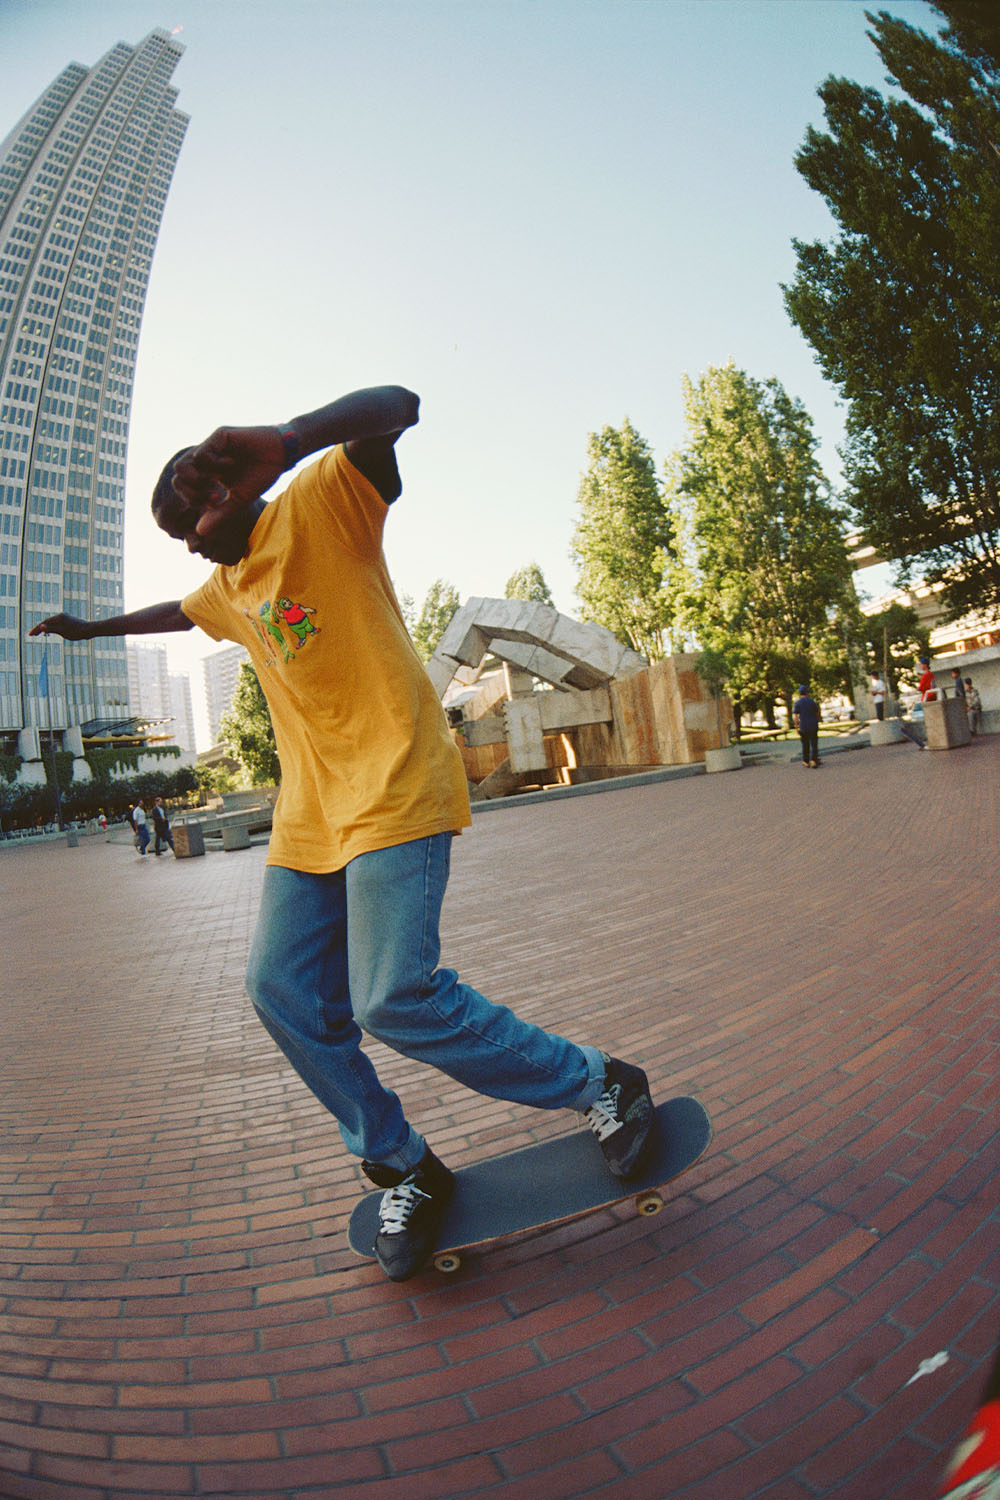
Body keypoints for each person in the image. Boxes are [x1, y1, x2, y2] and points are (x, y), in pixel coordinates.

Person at [29, 384, 656, 1282]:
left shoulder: (325, 501)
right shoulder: (225, 585)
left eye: (201, 505)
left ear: (239, 484)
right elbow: (183, 611)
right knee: (280, 993)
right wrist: (95, 629)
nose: (198, 531)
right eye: (183, 531)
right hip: (310, 814)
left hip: (396, 779)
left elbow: (397, 405)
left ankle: (602, 1083)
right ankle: (402, 1163)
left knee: (392, 995)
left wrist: (287, 440)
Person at [792, 684, 821, 768]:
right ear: (807, 692)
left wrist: (796, 727)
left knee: (805, 744)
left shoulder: (797, 703)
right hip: (813, 724)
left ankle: (806, 761)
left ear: (799, 693)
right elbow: (817, 713)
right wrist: (819, 720)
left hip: (804, 726)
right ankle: (814, 760)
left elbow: (795, 717)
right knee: (814, 743)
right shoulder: (812, 701)